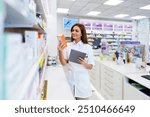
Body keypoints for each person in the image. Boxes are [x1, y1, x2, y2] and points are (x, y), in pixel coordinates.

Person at [58, 23, 95, 100]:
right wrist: (60, 51)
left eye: (76, 31)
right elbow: (64, 63)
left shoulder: (88, 47)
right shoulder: (68, 46)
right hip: (70, 82)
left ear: (82, 33)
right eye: (72, 30)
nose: (73, 32)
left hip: (82, 85)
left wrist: (84, 64)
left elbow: (91, 66)